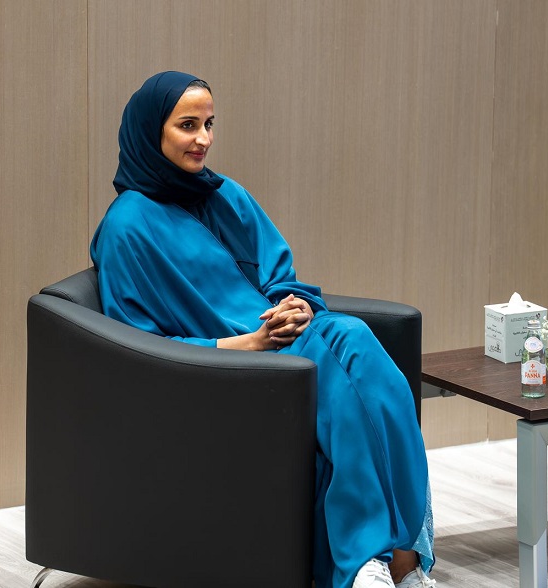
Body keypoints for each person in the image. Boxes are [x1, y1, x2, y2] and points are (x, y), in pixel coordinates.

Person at [90, 71, 436, 588]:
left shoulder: (226, 196)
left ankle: (395, 558)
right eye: (187, 125)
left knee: (362, 351)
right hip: (226, 371)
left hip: (292, 343)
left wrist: (296, 306)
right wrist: (249, 343)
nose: (203, 139)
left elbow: (281, 278)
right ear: (150, 130)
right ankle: (381, 561)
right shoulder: (126, 227)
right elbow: (141, 348)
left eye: (209, 124)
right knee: (346, 368)